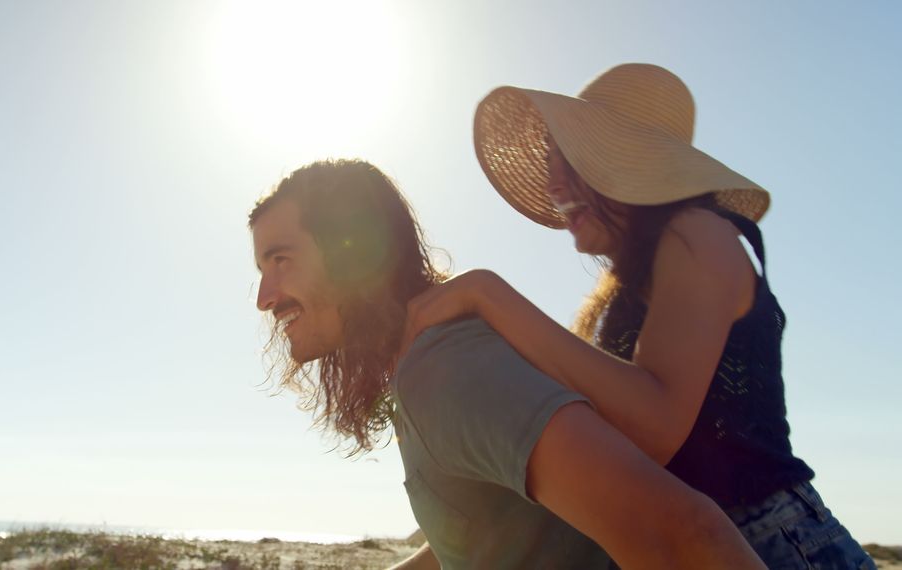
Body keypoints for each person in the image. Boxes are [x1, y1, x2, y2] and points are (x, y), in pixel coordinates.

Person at [400, 63, 875, 569]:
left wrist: (489, 295)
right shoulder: (624, 290)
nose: (553, 182)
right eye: (549, 160)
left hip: (774, 544)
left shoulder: (700, 233)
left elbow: (656, 426)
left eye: (572, 161)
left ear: (632, 163)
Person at [249, 159, 766, 569]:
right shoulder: (428, 367)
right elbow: (500, 530)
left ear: (353, 251)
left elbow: (683, 533)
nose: (264, 297)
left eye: (280, 260)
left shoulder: (448, 369)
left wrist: (488, 291)